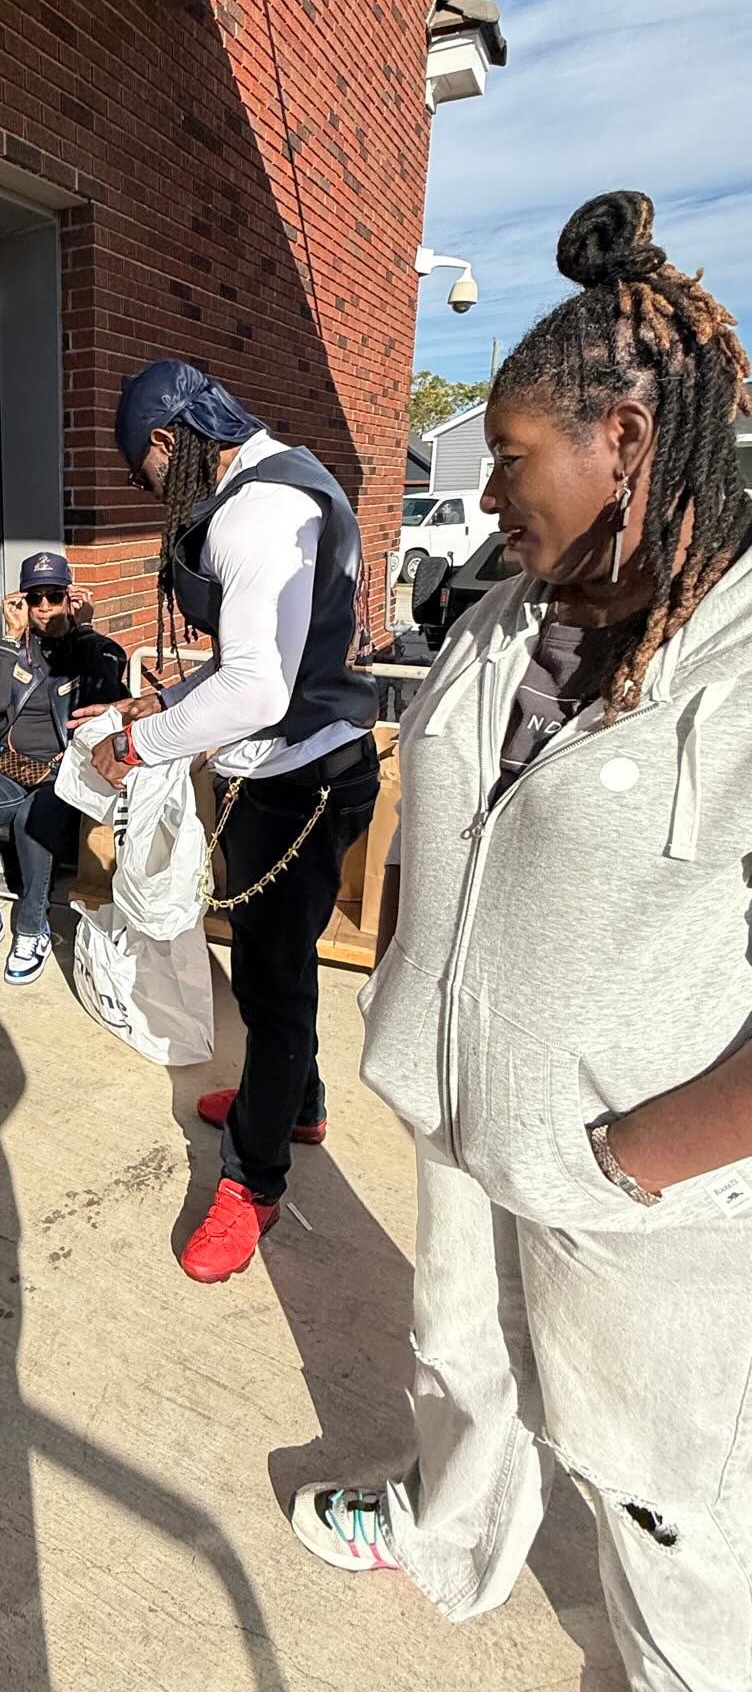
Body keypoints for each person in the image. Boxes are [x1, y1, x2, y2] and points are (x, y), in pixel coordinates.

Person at [291, 192, 752, 1691]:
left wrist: (641, 1156)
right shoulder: (509, 617)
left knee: (668, 1499)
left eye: (508, 461)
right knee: (458, 1366)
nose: (490, 498)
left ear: (624, 439)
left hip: (637, 1192)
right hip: (459, 1118)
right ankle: (451, 1536)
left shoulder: (739, 658)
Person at [82, 359, 379, 1283]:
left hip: (298, 779)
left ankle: (254, 1180)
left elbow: (258, 688)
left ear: (169, 443)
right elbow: (264, 659)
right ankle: (295, 1101)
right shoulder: (294, 476)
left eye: (145, 475)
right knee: (279, 968)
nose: (153, 499)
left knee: (270, 987)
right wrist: (174, 702)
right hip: (318, 759)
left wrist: (139, 746)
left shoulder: (253, 514)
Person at [0, 551, 126, 985]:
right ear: (22, 602)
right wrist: (9, 639)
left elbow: (109, 697)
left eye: (55, 596)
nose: (44, 607)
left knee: (33, 817)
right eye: (35, 598)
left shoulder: (90, 649)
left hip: (62, 774)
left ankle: (32, 927)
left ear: (69, 598)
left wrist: (85, 629)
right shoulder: (17, 648)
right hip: (9, 767)